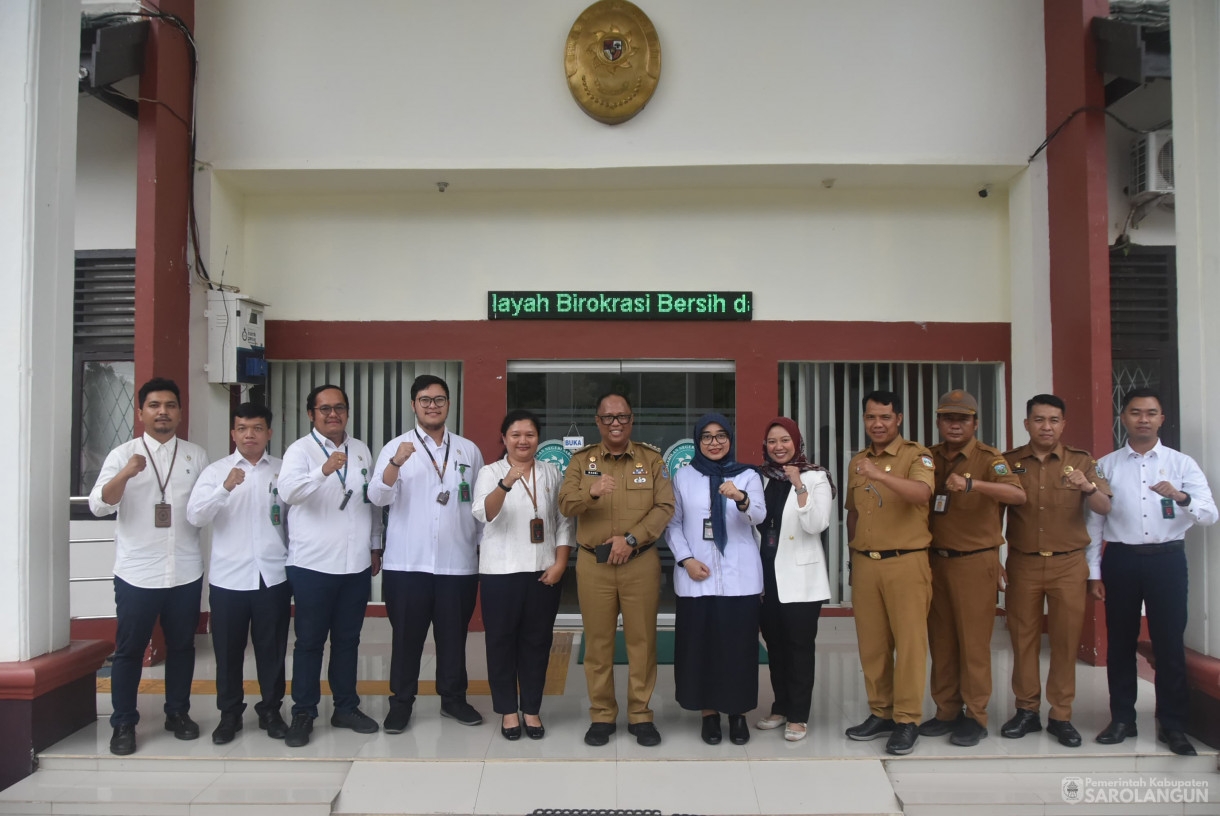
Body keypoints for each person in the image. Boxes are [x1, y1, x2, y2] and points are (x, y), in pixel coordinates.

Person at [1088, 387, 1217, 756]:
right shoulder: (1105, 465)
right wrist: (1093, 571)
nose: (1143, 419)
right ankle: (1122, 720)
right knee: (1121, 643)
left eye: (1151, 412)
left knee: (1169, 644)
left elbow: (1209, 514)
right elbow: (1094, 524)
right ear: (1123, 417)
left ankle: (1173, 725)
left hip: (1168, 560)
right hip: (1122, 560)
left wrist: (1182, 497)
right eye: (1135, 412)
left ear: (1162, 419)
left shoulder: (1182, 464)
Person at [89, 377, 209, 756]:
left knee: (182, 646)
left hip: (185, 569)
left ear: (179, 411)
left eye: (170, 405)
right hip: (138, 572)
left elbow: (203, 510)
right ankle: (123, 722)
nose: (163, 412)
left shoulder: (195, 455)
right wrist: (126, 473)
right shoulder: (121, 454)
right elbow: (99, 505)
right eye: (154, 405)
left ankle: (178, 713)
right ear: (141, 412)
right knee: (129, 649)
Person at [368, 374, 485, 732]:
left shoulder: (468, 449)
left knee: (453, 637)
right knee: (406, 638)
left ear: (448, 404)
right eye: (424, 399)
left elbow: (478, 507)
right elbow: (377, 497)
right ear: (413, 404)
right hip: (408, 564)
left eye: (439, 399)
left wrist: (481, 550)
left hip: (457, 563)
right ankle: (401, 703)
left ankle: (453, 700)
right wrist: (395, 464)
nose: (432, 405)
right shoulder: (396, 447)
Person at [558, 391, 675, 747]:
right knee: (598, 643)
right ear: (598, 422)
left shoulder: (652, 460)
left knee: (642, 641)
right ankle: (602, 714)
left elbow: (664, 506)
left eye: (622, 417)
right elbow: (565, 503)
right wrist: (590, 493)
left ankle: (641, 714)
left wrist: (632, 539)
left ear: (631, 420)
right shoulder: (581, 461)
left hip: (639, 562)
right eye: (608, 418)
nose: (615, 424)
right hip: (595, 566)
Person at [999, 394, 1111, 748]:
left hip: (1068, 564)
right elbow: (991, 513)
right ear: (1027, 423)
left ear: (1063, 424)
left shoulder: (1082, 462)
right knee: (1023, 638)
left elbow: (1104, 506)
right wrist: (993, 557)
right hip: (1023, 562)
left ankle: (1061, 715)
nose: (1046, 426)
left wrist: (1086, 486)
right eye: (1039, 419)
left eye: (1053, 420)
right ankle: (1026, 710)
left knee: (1064, 641)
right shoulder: (1008, 462)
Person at [277, 384, 383, 747]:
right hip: (312, 565)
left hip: (354, 565)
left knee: (348, 641)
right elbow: (289, 493)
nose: (332, 414)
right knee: (309, 642)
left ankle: (346, 707)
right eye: (324, 409)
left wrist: (374, 545)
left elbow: (370, 502)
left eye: (339, 408)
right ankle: (303, 712)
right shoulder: (299, 451)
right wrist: (322, 471)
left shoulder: (361, 450)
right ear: (311, 414)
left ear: (347, 413)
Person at [921, 390, 1025, 747]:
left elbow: (1017, 495)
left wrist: (972, 484)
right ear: (938, 421)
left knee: (973, 644)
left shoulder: (990, 459)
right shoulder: (929, 457)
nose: (954, 424)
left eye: (962, 419)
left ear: (975, 423)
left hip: (974, 561)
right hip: (936, 561)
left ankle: (976, 715)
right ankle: (946, 711)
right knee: (942, 641)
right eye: (948, 418)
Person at [186, 403, 292, 745]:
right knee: (228, 651)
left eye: (257, 428)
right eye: (243, 428)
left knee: (272, 650)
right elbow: (195, 517)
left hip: (272, 576)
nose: (250, 434)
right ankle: (229, 714)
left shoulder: (282, 470)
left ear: (269, 433)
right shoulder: (217, 471)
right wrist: (225, 488)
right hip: (229, 579)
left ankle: (271, 710)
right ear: (233, 433)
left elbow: (295, 520)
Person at [471, 409, 574, 740]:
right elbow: (484, 513)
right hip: (500, 574)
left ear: (538, 439)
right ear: (504, 438)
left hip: (543, 574)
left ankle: (531, 709)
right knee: (501, 643)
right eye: (515, 435)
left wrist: (559, 563)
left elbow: (563, 521)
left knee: (537, 643)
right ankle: (507, 711)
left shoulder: (550, 472)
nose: (522, 441)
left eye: (529, 434)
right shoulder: (490, 472)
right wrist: (505, 484)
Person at [843, 390, 935, 756]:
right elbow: (852, 512)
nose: (877, 424)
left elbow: (921, 494)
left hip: (906, 561)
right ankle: (880, 711)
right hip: (866, 562)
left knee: (910, 644)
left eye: (884, 417)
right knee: (873, 645)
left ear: (898, 419)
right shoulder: (858, 461)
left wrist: (880, 475)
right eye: (870, 417)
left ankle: (908, 719)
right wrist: (852, 556)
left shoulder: (917, 455)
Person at [666, 414, 766, 746]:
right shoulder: (683, 476)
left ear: (730, 439)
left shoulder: (748, 475)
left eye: (721, 435)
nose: (714, 442)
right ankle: (708, 714)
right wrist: (686, 559)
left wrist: (740, 498)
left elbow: (759, 516)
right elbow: (673, 524)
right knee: (701, 648)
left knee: (738, 649)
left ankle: (737, 715)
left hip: (740, 578)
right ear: (697, 441)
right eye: (706, 436)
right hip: (698, 577)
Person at [754, 417, 834, 742]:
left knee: (799, 647)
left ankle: (799, 715)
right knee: (774, 646)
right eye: (772, 441)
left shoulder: (816, 477)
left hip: (800, 578)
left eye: (785, 440)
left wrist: (799, 484)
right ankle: (781, 706)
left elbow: (816, 524)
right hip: (766, 575)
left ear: (797, 442)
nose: (778, 447)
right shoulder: (760, 478)